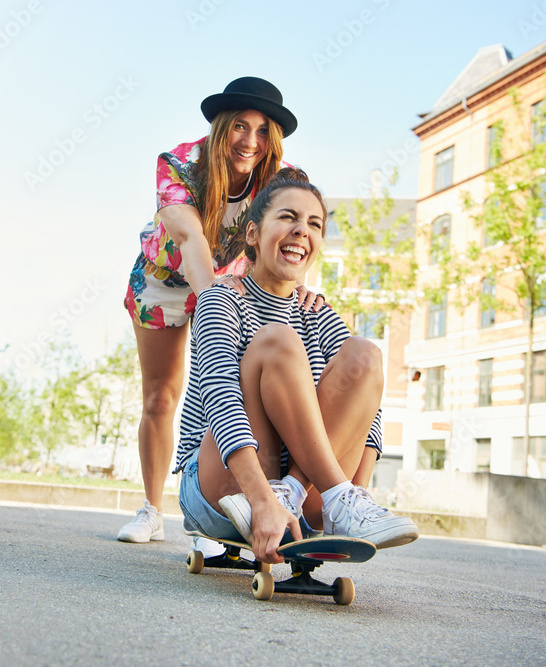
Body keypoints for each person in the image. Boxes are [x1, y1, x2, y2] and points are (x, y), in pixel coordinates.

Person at [174, 167, 418, 564]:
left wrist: (356, 495)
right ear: (252, 234)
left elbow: (367, 409)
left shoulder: (320, 314)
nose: (302, 230)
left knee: (365, 355)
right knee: (279, 341)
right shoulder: (222, 300)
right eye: (288, 217)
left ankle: (332, 501)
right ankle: (276, 498)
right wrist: (261, 498)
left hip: (303, 493)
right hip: (225, 485)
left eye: (314, 224)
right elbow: (219, 398)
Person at [118, 77, 322, 543]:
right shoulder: (179, 165)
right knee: (160, 397)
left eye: (264, 130)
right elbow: (189, 238)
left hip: (230, 280)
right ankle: (151, 510)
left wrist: (302, 287)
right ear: (220, 127)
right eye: (240, 127)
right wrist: (215, 302)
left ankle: (227, 495)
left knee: (237, 381)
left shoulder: (281, 179)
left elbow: (293, 235)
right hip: (165, 280)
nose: (250, 141)